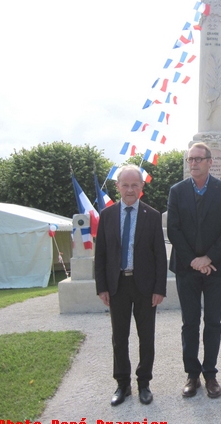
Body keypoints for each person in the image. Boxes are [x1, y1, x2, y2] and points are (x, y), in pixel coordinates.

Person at [167, 142, 221, 399]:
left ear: (210, 162)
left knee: (213, 322)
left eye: (199, 159)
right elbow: (173, 229)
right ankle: (192, 375)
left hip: (216, 268)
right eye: (190, 159)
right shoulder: (177, 191)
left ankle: (210, 374)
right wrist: (194, 261)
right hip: (186, 269)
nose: (194, 163)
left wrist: (208, 258)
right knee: (189, 322)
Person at [95, 164, 167, 406]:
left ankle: (144, 382)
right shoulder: (107, 216)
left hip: (145, 287)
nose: (129, 189)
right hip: (117, 286)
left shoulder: (153, 215)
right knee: (119, 337)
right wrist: (102, 287)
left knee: (146, 337)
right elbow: (101, 254)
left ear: (141, 187)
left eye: (134, 184)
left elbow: (160, 255)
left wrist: (159, 289)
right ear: (117, 187)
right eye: (124, 185)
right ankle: (122, 384)